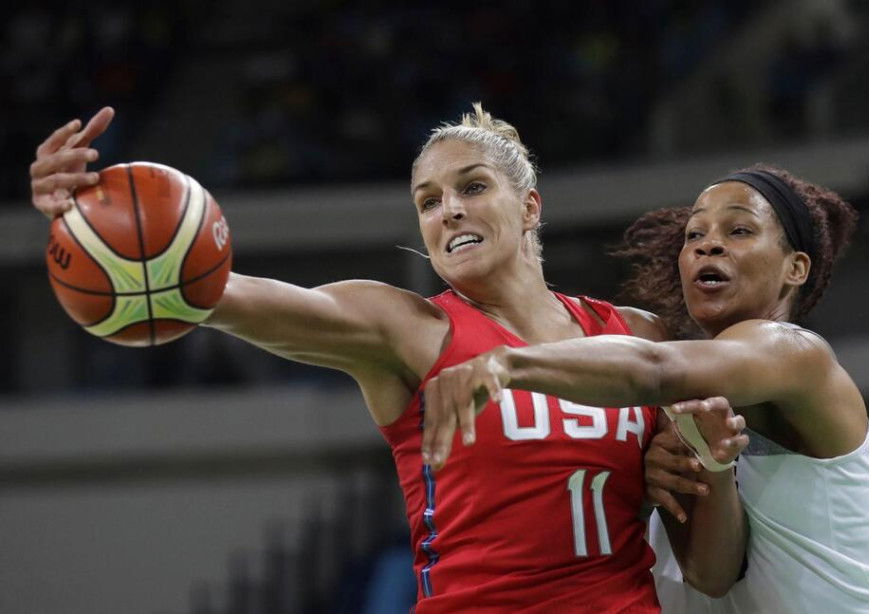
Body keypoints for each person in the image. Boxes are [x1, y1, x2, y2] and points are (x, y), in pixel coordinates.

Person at [30, 105, 748, 613]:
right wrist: (103, 233)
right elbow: (223, 293)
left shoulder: (639, 338)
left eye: (472, 187)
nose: (449, 210)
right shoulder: (409, 329)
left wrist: (709, 468)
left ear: (530, 207)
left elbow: (712, 573)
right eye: (428, 202)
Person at [420, 165, 869, 612]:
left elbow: (654, 367)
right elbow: (709, 576)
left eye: (740, 230)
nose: (708, 244)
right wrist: (694, 474)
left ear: (796, 268)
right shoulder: (690, 411)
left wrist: (507, 361)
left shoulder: (795, 355)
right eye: (694, 234)